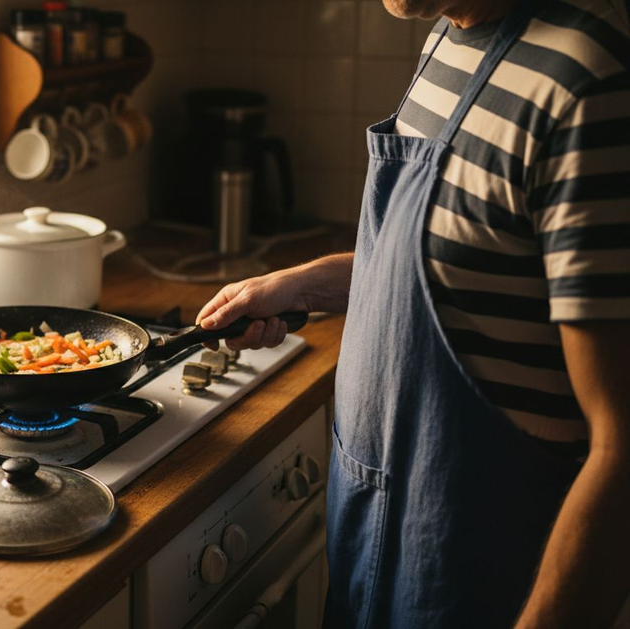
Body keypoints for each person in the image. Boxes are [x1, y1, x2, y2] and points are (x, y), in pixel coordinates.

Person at [197, 0, 630, 626]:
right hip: (371, 543)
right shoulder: (446, 38)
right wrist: (305, 285)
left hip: (484, 577)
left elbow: (622, 449)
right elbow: (458, 259)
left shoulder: (589, 79)